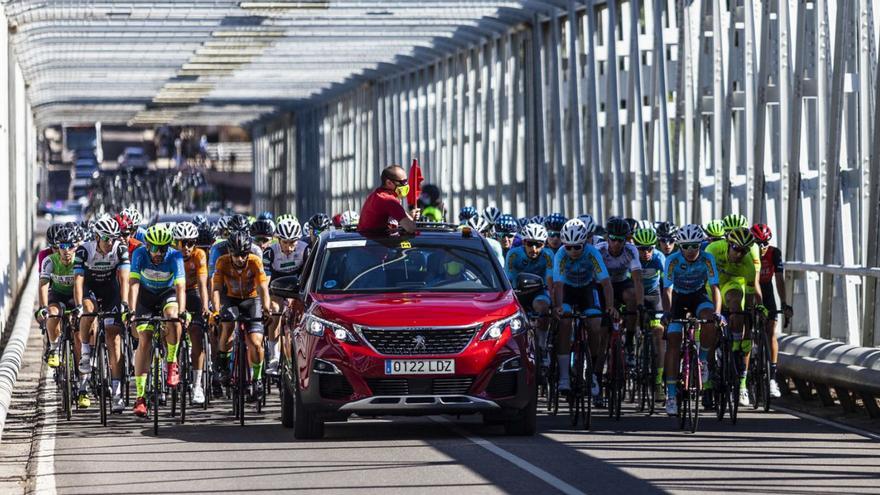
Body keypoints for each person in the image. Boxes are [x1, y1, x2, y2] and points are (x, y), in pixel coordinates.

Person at [662, 224, 722, 415]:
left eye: (694, 246)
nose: (690, 250)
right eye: (686, 246)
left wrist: (718, 313)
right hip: (678, 299)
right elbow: (667, 290)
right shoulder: (672, 260)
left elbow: (715, 289)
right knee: (673, 342)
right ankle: (671, 396)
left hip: (698, 296)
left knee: (709, 319)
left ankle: (702, 360)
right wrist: (667, 312)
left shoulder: (707, 258)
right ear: (679, 246)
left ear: (700, 245)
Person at [552, 219, 617, 396]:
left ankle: (594, 374)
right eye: (568, 247)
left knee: (595, 325)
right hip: (568, 290)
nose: (573, 251)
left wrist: (610, 306)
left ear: (585, 243)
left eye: (577, 247)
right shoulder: (560, 254)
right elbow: (557, 285)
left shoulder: (592, 253)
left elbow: (605, 283)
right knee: (565, 322)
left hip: (588, 289)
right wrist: (558, 307)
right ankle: (564, 377)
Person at [72, 216, 130, 411]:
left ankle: (116, 392)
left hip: (111, 291)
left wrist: (124, 303)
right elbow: (78, 280)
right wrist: (79, 305)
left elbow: (124, 280)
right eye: (106, 238)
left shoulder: (119, 249)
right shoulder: (83, 250)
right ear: (97, 236)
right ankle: (86, 353)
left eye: (113, 237)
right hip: (90, 289)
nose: (110, 242)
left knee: (114, 339)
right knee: (88, 311)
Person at [704, 227, 766, 407]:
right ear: (728, 244)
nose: (740, 254)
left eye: (744, 251)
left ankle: (736, 351)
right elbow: (707, 281)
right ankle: (707, 385)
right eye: (737, 249)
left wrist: (749, 315)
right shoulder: (713, 250)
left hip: (730, 287)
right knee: (709, 333)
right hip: (710, 286)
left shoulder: (747, 264)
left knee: (738, 307)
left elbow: (750, 296)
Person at [129, 225, 187, 417]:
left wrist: (183, 311)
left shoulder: (175, 256)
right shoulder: (139, 254)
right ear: (147, 245)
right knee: (144, 340)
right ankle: (140, 397)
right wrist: (130, 310)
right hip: (145, 297)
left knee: (173, 317)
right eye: (154, 248)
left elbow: (180, 287)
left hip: (166, 294)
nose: (159, 253)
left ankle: (171, 362)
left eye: (163, 248)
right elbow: (134, 284)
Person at [212, 231, 272, 401]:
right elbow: (216, 289)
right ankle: (223, 364)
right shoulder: (222, 262)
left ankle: (257, 378)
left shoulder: (254, 261)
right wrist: (216, 311)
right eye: (236, 254)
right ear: (229, 252)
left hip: (252, 300)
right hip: (230, 299)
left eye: (244, 254)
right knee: (228, 327)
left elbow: (262, 288)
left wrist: (266, 309)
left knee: (255, 343)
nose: (240, 258)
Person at [595, 217, 645, 368]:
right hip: (602, 285)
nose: (616, 243)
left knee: (633, 297)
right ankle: (597, 371)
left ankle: (629, 342)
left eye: (620, 240)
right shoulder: (599, 250)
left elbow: (637, 280)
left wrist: (640, 305)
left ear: (626, 240)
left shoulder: (631, 250)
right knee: (603, 331)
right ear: (607, 237)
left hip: (621, 283)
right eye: (613, 239)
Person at [751, 223, 793, 398]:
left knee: (771, 330)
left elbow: (779, 279)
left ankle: (772, 378)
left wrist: (783, 303)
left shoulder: (774, 253)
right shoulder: (748, 251)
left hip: (766, 288)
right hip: (750, 288)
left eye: (765, 243)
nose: (762, 247)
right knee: (745, 326)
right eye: (758, 243)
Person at [505, 223, 554, 368]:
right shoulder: (513, 254)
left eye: (538, 245)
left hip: (539, 292)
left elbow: (551, 282)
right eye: (530, 244)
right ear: (524, 242)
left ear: (544, 244)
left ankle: (543, 346)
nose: (534, 249)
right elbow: (508, 281)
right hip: (519, 291)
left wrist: (555, 302)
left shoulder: (548, 255)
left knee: (543, 308)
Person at [173, 222, 211, 405]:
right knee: (172, 329)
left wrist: (205, 306)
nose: (186, 247)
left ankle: (197, 386)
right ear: (176, 242)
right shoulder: (170, 255)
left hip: (193, 292)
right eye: (182, 243)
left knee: (196, 334)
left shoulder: (199, 255)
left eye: (190, 243)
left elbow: (203, 284)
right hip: (173, 292)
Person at [632, 227, 668, 402]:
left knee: (659, 333)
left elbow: (667, 284)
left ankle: (659, 381)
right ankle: (630, 349)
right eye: (641, 249)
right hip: (634, 293)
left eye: (650, 248)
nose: (646, 252)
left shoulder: (659, 257)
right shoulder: (631, 257)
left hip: (654, 296)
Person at [36, 226, 79, 369]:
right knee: (52, 314)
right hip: (57, 295)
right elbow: (43, 284)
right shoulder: (49, 260)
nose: (66, 250)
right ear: (57, 247)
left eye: (70, 246)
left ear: (76, 246)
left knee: (79, 331)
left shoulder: (80, 259)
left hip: (75, 295)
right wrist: (43, 308)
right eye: (62, 246)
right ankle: (54, 348)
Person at [357, 165, 420, 233]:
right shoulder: (389, 200)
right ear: (389, 183)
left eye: (406, 181)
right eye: (403, 182)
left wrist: (411, 216)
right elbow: (411, 228)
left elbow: (407, 221)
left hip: (373, 240)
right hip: (377, 241)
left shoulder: (378, 195)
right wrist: (412, 223)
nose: (406, 185)